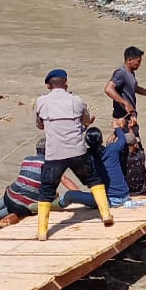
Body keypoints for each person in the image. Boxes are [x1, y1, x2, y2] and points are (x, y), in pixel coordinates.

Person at [34, 69, 111, 238]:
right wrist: (86, 123)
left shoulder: (41, 102)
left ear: (48, 85)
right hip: (78, 151)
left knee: (46, 190)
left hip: (54, 154)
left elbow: (39, 125)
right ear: (66, 83)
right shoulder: (77, 101)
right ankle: (105, 214)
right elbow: (86, 121)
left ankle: (42, 232)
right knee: (93, 180)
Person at [0, 140, 83, 227]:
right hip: (25, 206)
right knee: (22, 204)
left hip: (10, 196)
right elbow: (64, 180)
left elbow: (25, 180)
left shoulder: (27, 159)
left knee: (12, 195)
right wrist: (80, 196)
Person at [105, 46, 146, 132]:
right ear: (129, 60)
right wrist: (125, 103)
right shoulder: (121, 73)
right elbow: (108, 89)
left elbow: (135, 88)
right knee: (130, 139)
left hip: (130, 116)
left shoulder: (131, 73)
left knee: (127, 137)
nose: (139, 64)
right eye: (138, 61)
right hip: (123, 117)